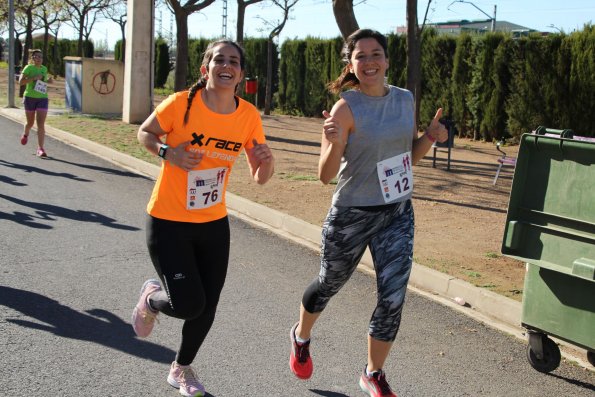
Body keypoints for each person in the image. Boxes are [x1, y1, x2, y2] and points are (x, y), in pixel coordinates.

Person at [288, 29, 447, 397]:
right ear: (351, 64)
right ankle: (301, 335)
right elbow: (325, 176)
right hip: (351, 214)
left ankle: (373, 373)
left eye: (376, 54)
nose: (370, 61)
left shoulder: (405, 100)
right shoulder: (346, 107)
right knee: (329, 283)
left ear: (388, 60)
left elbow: (406, 157)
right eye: (361, 56)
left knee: (392, 297)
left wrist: (429, 137)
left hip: (396, 211)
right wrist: (334, 140)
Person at [132, 39, 274, 397]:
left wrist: (267, 161)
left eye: (234, 62)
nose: (226, 66)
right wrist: (169, 153)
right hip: (167, 220)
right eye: (219, 60)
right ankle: (151, 299)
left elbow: (260, 176)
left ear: (240, 73)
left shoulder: (248, 115)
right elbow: (145, 133)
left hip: (212, 223)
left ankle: (181, 368)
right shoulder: (181, 104)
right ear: (205, 68)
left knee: (207, 307)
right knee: (189, 304)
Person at [18, 49, 53, 158]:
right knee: (30, 123)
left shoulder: (44, 69)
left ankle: (40, 149)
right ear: (32, 58)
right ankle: (25, 134)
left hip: (42, 98)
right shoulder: (28, 68)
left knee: (41, 124)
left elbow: (43, 82)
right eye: (37, 57)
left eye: (41, 57)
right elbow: (21, 82)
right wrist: (33, 78)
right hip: (29, 98)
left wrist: (48, 81)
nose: (39, 59)